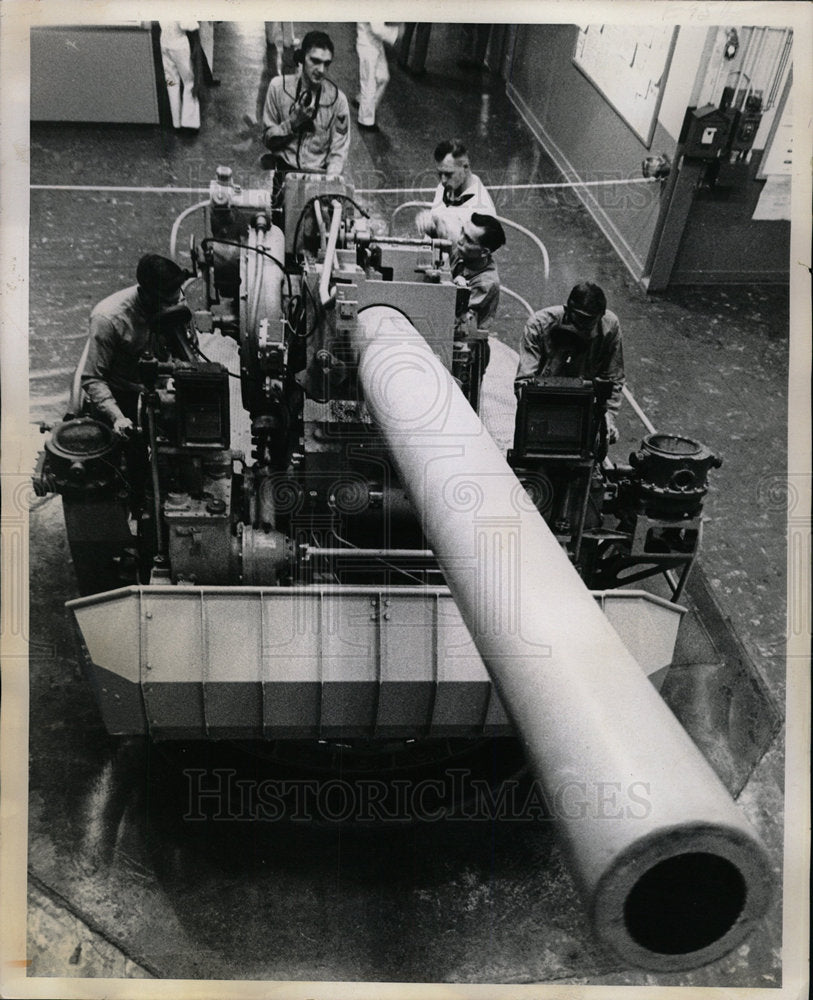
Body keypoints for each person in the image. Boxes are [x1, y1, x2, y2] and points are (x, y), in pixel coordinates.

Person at [82, 255, 192, 438]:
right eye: (167, 304)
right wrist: (118, 418)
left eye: (177, 300)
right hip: (120, 396)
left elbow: (188, 348)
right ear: (147, 296)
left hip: (162, 391)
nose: (175, 306)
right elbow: (93, 378)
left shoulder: (176, 301)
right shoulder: (109, 319)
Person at [514, 282, 625, 443]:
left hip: (583, 408)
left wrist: (608, 420)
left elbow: (613, 378)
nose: (582, 327)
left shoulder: (610, 327)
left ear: (601, 315)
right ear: (567, 309)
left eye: (589, 322)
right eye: (578, 319)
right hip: (540, 406)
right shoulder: (539, 325)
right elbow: (523, 383)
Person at [261, 30, 350, 179]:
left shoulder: (339, 102)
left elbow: (338, 153)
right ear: (302, 58)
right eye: (315, 61)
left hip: (317, 176)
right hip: (283, 172)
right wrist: (293, 124)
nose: (321, 70)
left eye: (326, 64)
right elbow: (268, 140)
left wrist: (329, 180)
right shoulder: (277, 88)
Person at [449, 213, 505, 391]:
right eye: (462, 232)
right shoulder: (465, 252)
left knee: (462, 397)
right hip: (451, 336)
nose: (460, 240)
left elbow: (459, 319)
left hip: (467, 352)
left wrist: (455, 292)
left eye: (468, 239)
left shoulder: (486, 283)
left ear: (484, 252)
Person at [416, 139, 496, 240]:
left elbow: (473, 252)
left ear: (465, 167)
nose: (443, 180)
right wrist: (426, 222)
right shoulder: (446, 186)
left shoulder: (483, 209)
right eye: (440, 174)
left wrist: (439, 230)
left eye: (449, 174)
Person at [355, 22, 399, 132]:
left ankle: (362, 101)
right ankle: (365, 121)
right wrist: (396, 33)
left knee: (383, 77)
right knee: (369, 83)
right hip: (367, 46)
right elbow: (377, 28)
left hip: (375, 44)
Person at [159, 21, 201, 131]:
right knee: (189, 82)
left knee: (171, 83)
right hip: (179, 45)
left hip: (164, 42)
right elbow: (187, 24)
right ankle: (189, 123)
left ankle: (176, 122)